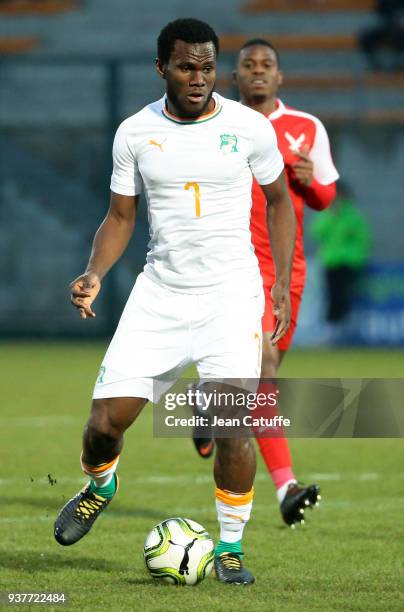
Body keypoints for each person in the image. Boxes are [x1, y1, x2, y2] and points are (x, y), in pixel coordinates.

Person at [53, 19, 296, 585]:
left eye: (208, 67)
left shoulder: (249, 127)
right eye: (186, 67)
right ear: (161, 68)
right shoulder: (135, 131)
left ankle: (231, 547)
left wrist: (279, 282)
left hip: (231, 298)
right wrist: (93, 272)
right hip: (159, 295)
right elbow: (120, 216)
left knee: (234, 427)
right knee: (103, 424)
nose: (199, 78)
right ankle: (101, 485)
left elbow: (280, 201)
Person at [193, 39, 339, 526]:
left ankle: (209, 403)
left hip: (285, 271)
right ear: (234, 78)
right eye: (248, 66)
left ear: (280, 78)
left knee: (258, 385)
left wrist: (309, 180)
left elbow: (324, 199)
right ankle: (286, 487)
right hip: (231, 264)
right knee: (265, 368)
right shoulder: (217, 124)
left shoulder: (305, 128)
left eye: (267, 65)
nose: (258, 71)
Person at [310, 181, 371, 327]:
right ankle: (334, 327)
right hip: (331, 261)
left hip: (348, 262)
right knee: (332, 295)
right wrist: (332, 216)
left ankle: (342, 325)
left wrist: (357, 255)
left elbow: (364, 238)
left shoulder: (352, 215)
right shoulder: (328, 213)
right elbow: (316, 231)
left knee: (343, 295)